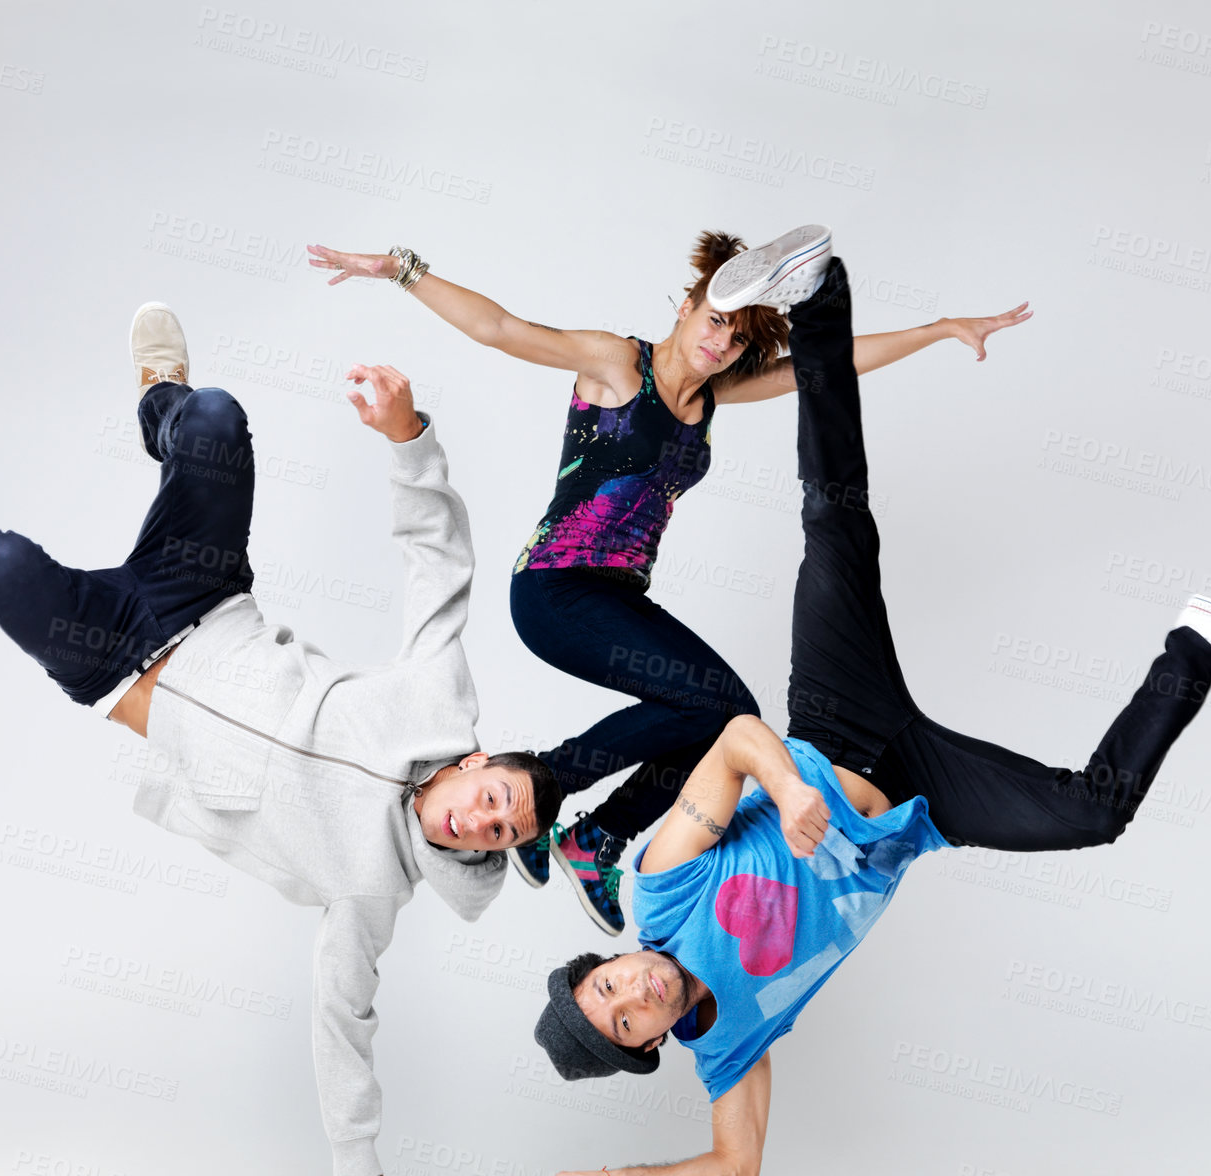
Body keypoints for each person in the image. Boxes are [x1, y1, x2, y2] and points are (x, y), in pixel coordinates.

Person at [515, 228, 1211, 1176]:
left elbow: (730, 743)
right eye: (626, 1023)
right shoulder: (728, 1045)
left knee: (834, 515)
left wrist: (791, 786)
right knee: (1091, 812)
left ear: (607, 960)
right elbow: (733, 1172)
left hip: (838, 722)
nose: (635, 997)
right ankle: (1197, 642)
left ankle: (817, 289)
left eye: (608, 987)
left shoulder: (659, 892)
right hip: (915, 800)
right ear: (648, 1045)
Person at [0, 304, 562, 1176]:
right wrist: (410, 441)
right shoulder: (436, 704)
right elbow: (440, 565)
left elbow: (344, 1015)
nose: (480, 824)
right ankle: (157, 399)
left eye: (494, 838)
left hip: (113, 663)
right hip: (204, 596)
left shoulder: (370, 889)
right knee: (214, 418)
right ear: (479, 764)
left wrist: (362, 1172)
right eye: (496, 802)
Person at [306, 231, 1030, 939]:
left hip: (618, 597)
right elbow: (501, 328)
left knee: (726, 716)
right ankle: (572, 813)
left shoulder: (717, 395)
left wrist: (938, 329)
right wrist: (401, 269)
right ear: (688, 305)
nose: (719, 343)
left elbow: (827, 365)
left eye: (738, 338)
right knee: (724, 709)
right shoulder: (619, 364)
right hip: (555, 590)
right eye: (715, 319)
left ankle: (589, 834)